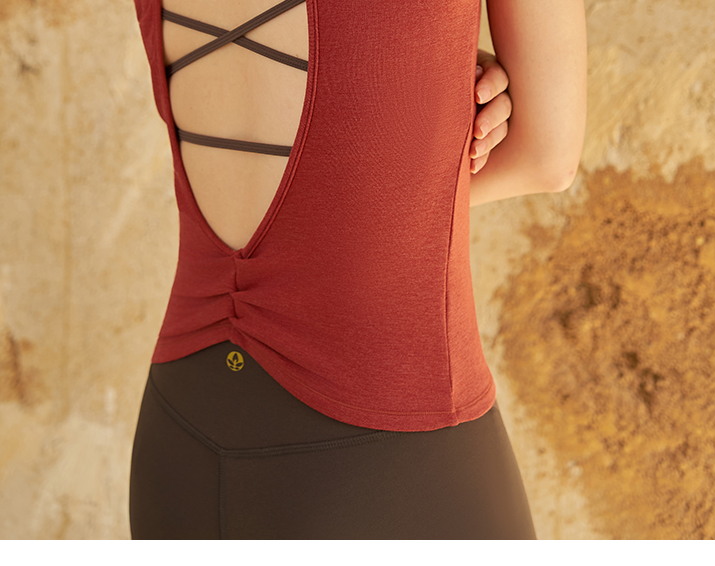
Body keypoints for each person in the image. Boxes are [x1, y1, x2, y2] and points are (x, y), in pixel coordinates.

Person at [128, 0, 586, 539]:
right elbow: (546, 156)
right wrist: (420, 118)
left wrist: (420, 76)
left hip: (180, 437)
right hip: (384, 447)